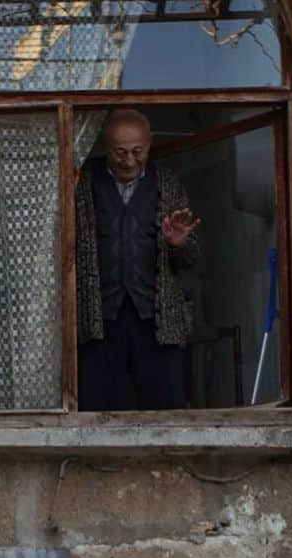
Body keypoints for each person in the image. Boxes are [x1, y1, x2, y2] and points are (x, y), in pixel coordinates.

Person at [75, 108, 200, 411]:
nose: (129, 160)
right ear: (105, 146)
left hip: (155, 319)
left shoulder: (166, 183)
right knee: (97, 406)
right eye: (120, 152)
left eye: (137, 151)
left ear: (149, 144)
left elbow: (190, 257)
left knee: (164, 405)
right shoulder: (82, 183)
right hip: (99, 319)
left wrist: (178, 244)